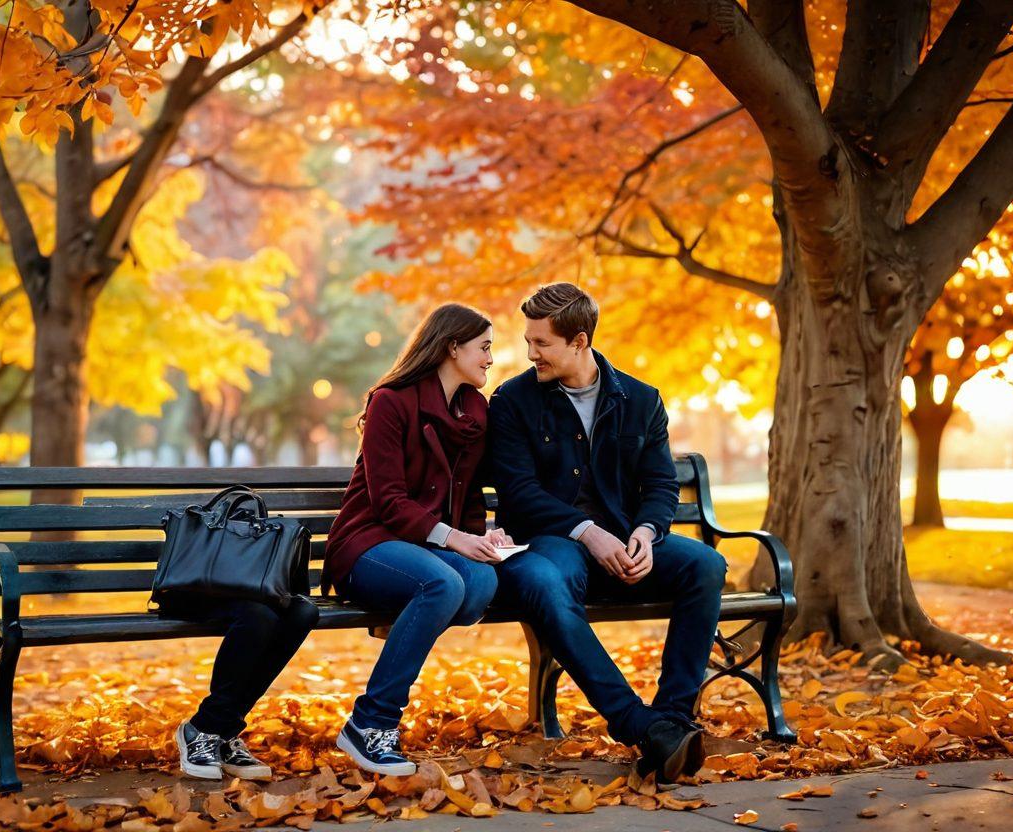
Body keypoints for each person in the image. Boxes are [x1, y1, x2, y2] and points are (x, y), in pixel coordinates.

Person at [487, 283, 728, 784]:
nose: (530, 353)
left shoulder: (641, 400)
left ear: (579, 342)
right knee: (543, 581)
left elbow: (660, 484)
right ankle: (640, 725)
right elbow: (518, 491)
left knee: (706, 565)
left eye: (542, 343)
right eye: (528, 341)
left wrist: (646, 530)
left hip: (624, 542)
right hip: (550, 543)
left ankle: (673, 722)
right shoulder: (512, 400)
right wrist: (587, 531)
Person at [324, 303, 509, 775]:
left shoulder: (475, 411)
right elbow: (387, 501)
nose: (491, 358)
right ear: (452, 346)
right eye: (484, 347)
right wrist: (455, 540)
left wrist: (482, 538)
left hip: (428, 549)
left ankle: (373, 716)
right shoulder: (391, 401)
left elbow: (467, 496)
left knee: (481, 585)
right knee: (444, 586)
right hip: (368, 544)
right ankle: (371, 724)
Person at [173, 597, 319, 780]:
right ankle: (205, 726)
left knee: (303, 612)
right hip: (201, 587)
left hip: (260, 590)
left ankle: (223, 732)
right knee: (258, 614)